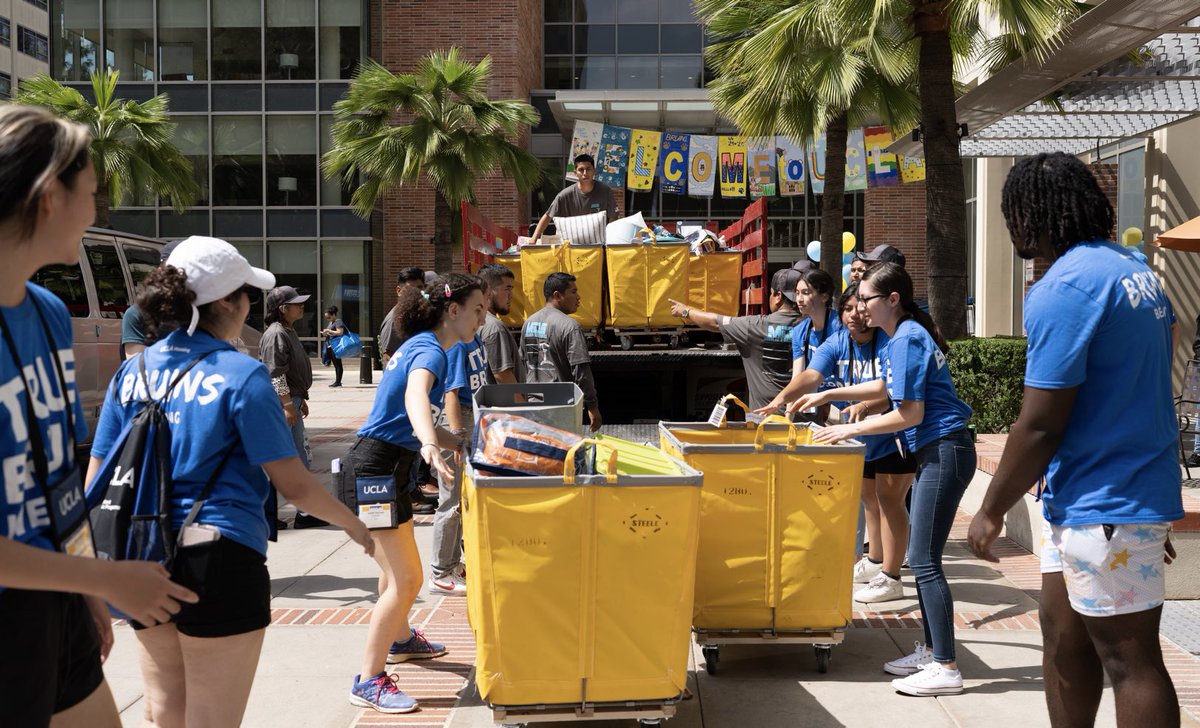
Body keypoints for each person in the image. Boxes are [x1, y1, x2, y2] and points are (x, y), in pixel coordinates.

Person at [87, 236, 373, 727]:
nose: (249, 306)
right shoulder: (241, 374)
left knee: (163, 710)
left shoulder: (132, 372)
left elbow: (98, 479)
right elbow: (295, 485)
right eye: (247, 295)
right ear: (227, 303)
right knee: (212, 718)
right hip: (218, 554)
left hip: (140, 552)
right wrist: (357, 528)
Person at [0, 103, 202, 728]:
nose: (94, 211)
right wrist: (103, 576)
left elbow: (60, 477)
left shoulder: (48, 313)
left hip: (56, 594)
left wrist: (86, 588)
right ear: (47, 198)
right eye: (88, 193)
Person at [967, 153, 1182, 727]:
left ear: (1031, 214)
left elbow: (1040, 422)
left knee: (1129, 659)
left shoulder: (1065, 287)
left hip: (1107, 499)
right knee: (1063, 639)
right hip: (1101, 498)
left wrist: (991, 510)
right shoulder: (1131, 269)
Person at [791, 262, 975, 697]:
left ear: (893, 300)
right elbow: (885, 388)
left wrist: (848, 428)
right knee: (924, 556)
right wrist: (828, 393)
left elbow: (909, 412)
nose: (861, 308)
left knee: (924, 559)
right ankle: (932, 653)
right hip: (937, 450)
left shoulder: (908, 337)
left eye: (868, 300)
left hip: (945, 450)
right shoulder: (901, 338)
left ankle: (945, 666)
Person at [347, 273, 484, 714]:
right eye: (478, 309)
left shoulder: (424, 343)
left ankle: (401, 639)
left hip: (383, 469)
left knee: (394, 573)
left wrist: (455, 442)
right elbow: (414, 397)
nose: (484, 318)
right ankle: (369, 680)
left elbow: (406, 418)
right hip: (375, 472)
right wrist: (428, 442)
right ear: (453, 310)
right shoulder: (430, 350)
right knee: (408, 579)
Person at [757, 283, 915, 604]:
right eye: (848, 309)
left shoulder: (890, 341)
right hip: (860, 435)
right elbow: (811, 376)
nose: (855, 315)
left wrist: (865, 406)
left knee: (890, 502)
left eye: (860, 307)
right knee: (869, 499)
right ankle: (875, 562)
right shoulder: (837, 342)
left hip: (893, 432)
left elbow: (890, 388)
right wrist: (780, 399)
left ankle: (892, 576)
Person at [428, 276, 489, 596]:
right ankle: (440, 570)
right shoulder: (454, 345)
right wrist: (455, 437)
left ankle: (453, 562)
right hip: (460, 422)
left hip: (474, 419)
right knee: (450, 501)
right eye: (477, 308)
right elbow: (452, 393)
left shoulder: (473, 338)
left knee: (462, 499)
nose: (482, 316)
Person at [669, 267, 805, 410]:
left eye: (770, 294)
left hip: (768, 421)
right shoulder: (815, 325)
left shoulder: (755, 326)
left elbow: (716, 322)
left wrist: (685, 311)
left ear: (778, 296)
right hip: (808, 420)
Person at [261, 285, 326, 529]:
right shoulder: (277, 333)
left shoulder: (287, 330)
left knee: (299, 458)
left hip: (292, 400)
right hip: (281, 405)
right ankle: (267, 515)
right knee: (280, 460)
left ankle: (305, 513)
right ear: (282, 309)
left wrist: (299, 399)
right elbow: (275, 374)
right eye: (297, 303)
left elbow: (289, 371)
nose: (302, 306)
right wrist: (288, 405)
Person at [520, 272, 602, 431]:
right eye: (573, 292)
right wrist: (593, 407)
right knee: (564, 451)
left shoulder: (528, 323)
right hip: (560, 405)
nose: (578, 297)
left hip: (533, 402)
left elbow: (523, 364)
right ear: (557, 295)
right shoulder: (569, 326)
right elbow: (581, 372)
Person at [789, 268, 843, 423]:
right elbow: (797, 378)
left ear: (824, 296)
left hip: (847, 402)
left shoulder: (842, 327)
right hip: (818, 402)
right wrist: (788, 415)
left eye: (805, 293)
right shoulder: (800, 331)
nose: (799, 299)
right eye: (797, 293)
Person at [528, 153, 617, 244]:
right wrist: (534, 239)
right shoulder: (564, 195)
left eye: (588, 169)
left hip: (599, 245)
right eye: (581, 170)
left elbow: (613, 217)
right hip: (572, 246)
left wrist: (609, 240)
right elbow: (547, 216)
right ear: (575, 173)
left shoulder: (606, 191)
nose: (585, 173)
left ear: (594, 171)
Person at [478, 263, 525, 385]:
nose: (511, 296)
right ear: (489, 291)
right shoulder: (494, 327)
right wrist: (521, 403)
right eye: (507, 289)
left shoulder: (476, 321)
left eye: (511, 289)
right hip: (505, 403)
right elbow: (502, 376)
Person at [379, 267, 427, 365]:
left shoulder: (421, 314)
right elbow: (389, 358)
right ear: (399, 291)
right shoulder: (394, 320)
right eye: (410, 289)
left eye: (419, 287)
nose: (415, 293)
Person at [321, 305, 348, 388]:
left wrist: (328, 330)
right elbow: (332, 332)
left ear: (333, 315)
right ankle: (337, 381)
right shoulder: (331, 322)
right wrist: (326, 333)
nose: (328, 319)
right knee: (336, 364)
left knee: (338, 363)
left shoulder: (338, 321)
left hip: (336, 345)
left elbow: (340, 332)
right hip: (331, 344)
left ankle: (338, 381)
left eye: (329, 317)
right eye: (326, 318)